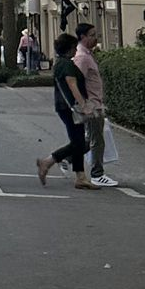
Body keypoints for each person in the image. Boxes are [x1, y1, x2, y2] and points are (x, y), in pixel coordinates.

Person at [37, 32, 95, 190]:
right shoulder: (66, 65)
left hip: (65, 106)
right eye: (74, 47)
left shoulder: (60, 63)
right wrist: (83, 105)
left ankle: (80, 176)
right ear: (69, 48)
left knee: (78, 141)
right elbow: (72, 85)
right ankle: (48, 161)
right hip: (70, 107)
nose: (76, 50)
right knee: (78, 142)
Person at [74, 22, 116, 187]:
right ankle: (97, 173)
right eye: (92, 35)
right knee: (97, 140)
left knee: (90, 138)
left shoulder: (88, 55)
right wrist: (85, 104)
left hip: (95, 102)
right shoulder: (82, 57)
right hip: (91, 105)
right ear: (83, 37)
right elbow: (77, 82)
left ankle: (63, 156)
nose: (95, 38)